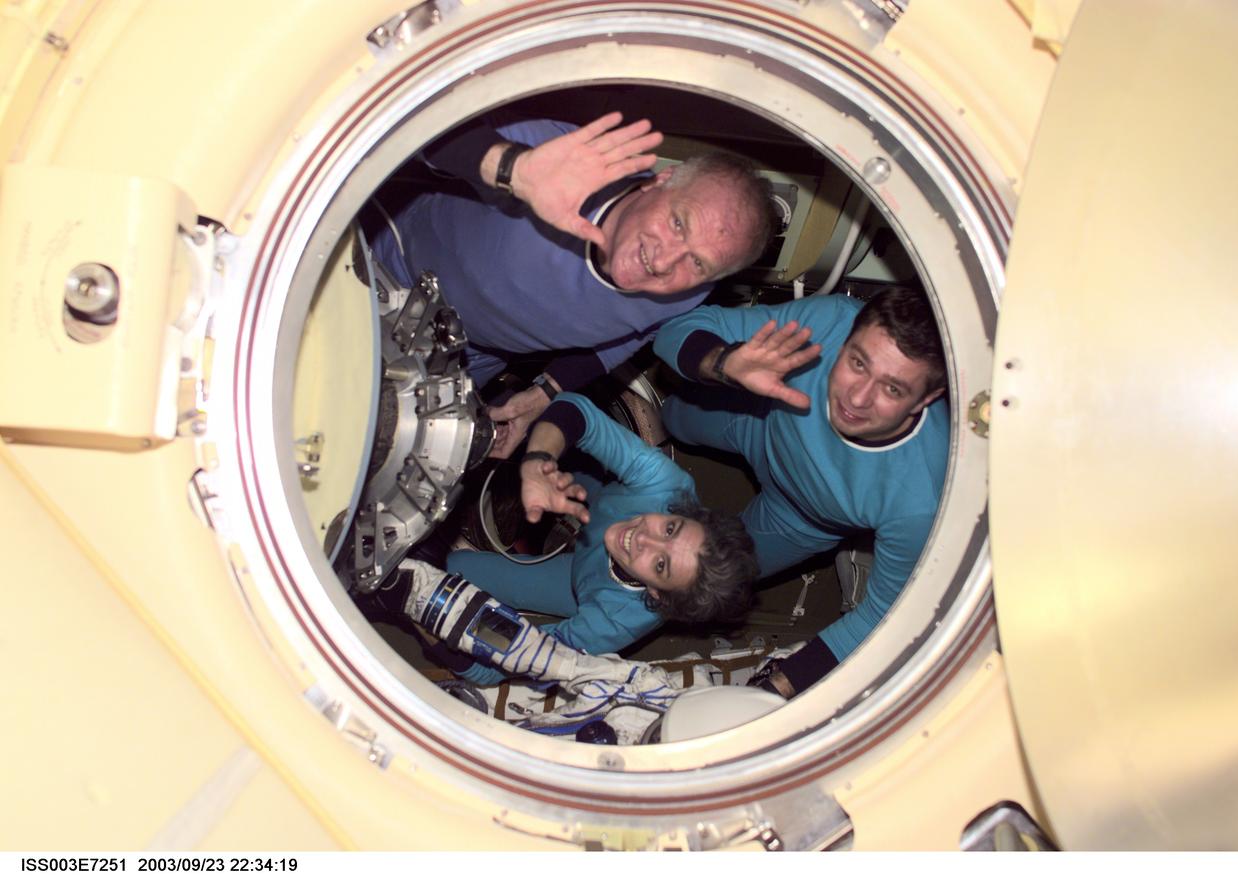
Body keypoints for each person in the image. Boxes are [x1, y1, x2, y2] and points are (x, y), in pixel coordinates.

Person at [361, 110, 776, 458]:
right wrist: (512, 168)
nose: (665, 261)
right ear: (660, 181)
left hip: (459, 360)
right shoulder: (573, 168)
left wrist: (544, 392)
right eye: (678, 223)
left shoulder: (689, 291)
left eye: (698, 262)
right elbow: (409, 123)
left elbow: (625, 339)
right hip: (382, 272)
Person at [652, 286, 949, 698]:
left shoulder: (920, 499)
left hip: (800, 519)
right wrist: (724, 363)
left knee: (689, 584)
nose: (858, 398)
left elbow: (884, 616)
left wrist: (776, 690)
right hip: (758, 417)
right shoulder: (830, 320)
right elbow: (678, 330)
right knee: (671, 416)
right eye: (857, 363)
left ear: (929, 397)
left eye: (893, 389)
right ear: (846, 338)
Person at [432, 392, 758, 687]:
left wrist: (440, 633)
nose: (645, 537)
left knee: (451, 567)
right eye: (670, 529)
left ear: (657, 595)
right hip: (601, 498)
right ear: (682, 511)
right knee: (547, 436)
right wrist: (538, 460)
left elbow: (525, 659)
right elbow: (578, 412)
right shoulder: (667, 487)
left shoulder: (615, 619)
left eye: (661, 564)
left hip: (578, 583)